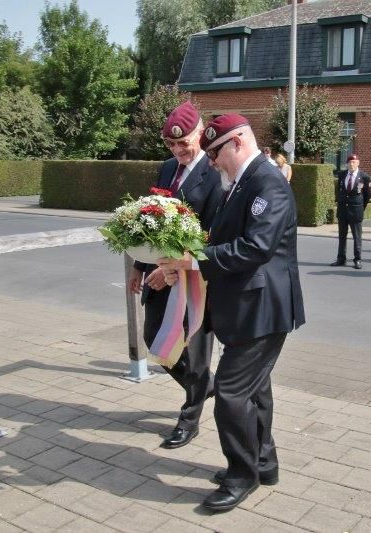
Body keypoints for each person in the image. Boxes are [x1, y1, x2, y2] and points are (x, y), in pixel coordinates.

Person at [159, 113, 305, 512]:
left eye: (214, 152)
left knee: (230, 392)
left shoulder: (266, 182)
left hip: (262, 309)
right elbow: (223, 235)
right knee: (255, 390)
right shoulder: (241, 181)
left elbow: (256, 247)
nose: (210, 161)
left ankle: (242, 475)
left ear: (237, 142)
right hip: (248, 307)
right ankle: (263, 463)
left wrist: (194, 260)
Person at [128, 101, 223, 449]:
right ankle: (207, 386)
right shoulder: (167, 167)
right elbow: (153, 221)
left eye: (184, 142)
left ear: (200, 133)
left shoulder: (215, 173)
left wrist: (171, 266)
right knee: (156, 339)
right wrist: (140, 265)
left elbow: (212, 231)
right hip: (160, 273)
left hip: (196, 276)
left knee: (195, 350)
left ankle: (189, 419)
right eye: (172, 144)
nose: (179, 150)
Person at [330, 154, 371, 270]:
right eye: (349, 162)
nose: (351, 164)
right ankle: (341, 258)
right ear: (347, 164)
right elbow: (339, 191)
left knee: (357, 236)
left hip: (356, 210)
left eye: (354, 162)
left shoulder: (364, 176)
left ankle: (357, 259)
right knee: (342, 236)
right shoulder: (342, 175)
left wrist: (361, 207)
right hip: (343, 210)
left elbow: (367, 195)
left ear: (358, 163)